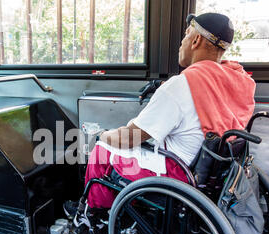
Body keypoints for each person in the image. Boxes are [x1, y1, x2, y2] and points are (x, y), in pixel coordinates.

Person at [64, 12, 256, 219]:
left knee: (102, 150)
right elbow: (204, 103)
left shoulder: (182, 85)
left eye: (185, 35)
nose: (181, 43)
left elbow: (130, 138)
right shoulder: (234, 79)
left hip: (177, 173)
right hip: (208, 169)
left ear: (196, 40)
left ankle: (95, 213)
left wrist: (103, 135)